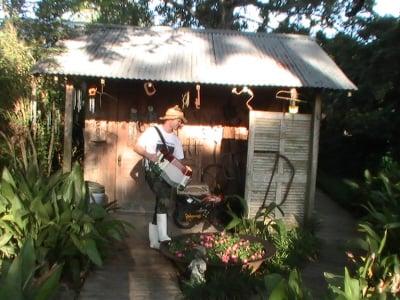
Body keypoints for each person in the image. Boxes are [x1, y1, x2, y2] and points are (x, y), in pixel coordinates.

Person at [133, 105, 187, 249]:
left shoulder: (175, 140)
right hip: (152, 172)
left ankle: (154, 241)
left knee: (160, 203)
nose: (180, 124)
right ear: (171, 119)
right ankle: (163, 235)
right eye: (179, 120)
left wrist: (184, 170)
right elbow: (136, 147)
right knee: (163, 198)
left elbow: (178, 161)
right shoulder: (152, 131)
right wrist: (149, 155)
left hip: (167, 175)